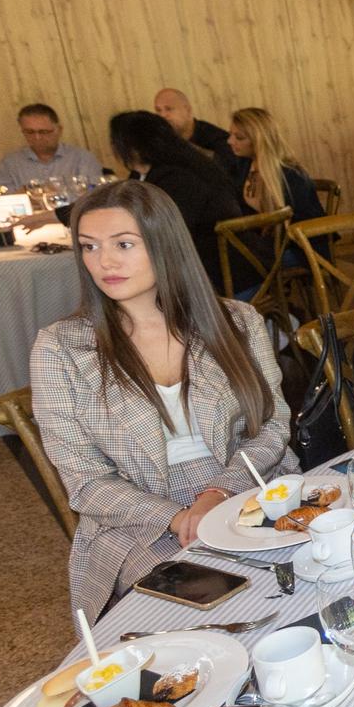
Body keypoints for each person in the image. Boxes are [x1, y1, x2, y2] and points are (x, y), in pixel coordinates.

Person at [29, 178, 292, 624]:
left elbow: (274, 425)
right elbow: (85, 481)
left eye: (123, 244)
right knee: (207, 614)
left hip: (245, 485)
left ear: (165, 244)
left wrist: (218, 492)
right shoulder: (61, 347)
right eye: (89, 247)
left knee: (316, 574)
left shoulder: (237, 322)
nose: (103, 262)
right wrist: (178, 517)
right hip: (138, 519)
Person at [105, 110, 251, 283]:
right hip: (198, 263)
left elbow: (167, 233)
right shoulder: (143, 174)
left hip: (217, 273)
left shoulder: (177, 177)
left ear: (132, 146)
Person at [227, 107, 324, 225]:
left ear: (259, 141)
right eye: (230, 134)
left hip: (294, 240)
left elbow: (305, 225)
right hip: (263, 238)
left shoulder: (291, 175)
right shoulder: (244, 165)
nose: (230, 141)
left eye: (239, 137)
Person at [0, 103, 102, 190]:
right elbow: (5, 199)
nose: (37, 137)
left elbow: (95, 195)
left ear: (59, 130)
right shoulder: (9, 163)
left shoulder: (82, 158)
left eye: (43, 132)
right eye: (29, 132)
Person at [153, 88, 237, 178]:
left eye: (169, 109)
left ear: (188, 110)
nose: (162, 115)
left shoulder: (217, 138)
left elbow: (226, 170)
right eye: (158, 110)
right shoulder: (160, 140)